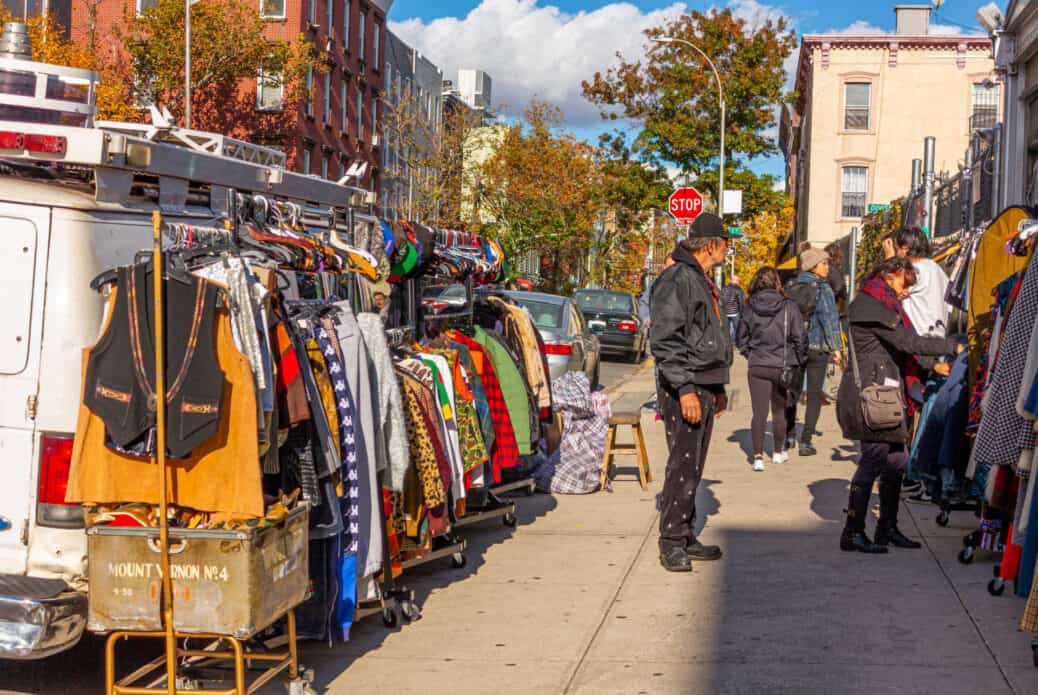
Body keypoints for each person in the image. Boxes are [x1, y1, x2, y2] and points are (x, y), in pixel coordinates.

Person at [836, 256, 963, 553]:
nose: (906, 292)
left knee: (896, 461)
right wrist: (952, 347)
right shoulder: (871, 307)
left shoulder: (883, 305)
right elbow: (908, 343)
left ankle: (887, 528)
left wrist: (933, 364)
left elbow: (907, 345)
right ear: (890, 275)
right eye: (905, 285)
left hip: (884, 394)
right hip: (872, 396)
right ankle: (852, 531)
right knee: (874, 459)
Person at [650, 213, 734, 572]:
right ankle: (671, 540)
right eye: (725, 243)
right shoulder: (678, 278)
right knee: (683, 464)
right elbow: (666, 340)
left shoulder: (697, 278)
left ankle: (683, 534)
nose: (728, 250)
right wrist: (684, 387)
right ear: (712, 244)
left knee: (693, 464)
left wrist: (717, 387)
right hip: (686, 384)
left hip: (702, 382)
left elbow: (706, 334)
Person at [736, 267, 806, 471]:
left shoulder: (749, 307)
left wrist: (750, 354)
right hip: (781, 365)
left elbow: (741, 338)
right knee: (779, 410)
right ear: (777, 282)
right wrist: (797, 360)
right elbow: (800, 336)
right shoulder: (789, 306)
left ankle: (757, 457)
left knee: (758, 413)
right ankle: (777, 452)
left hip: (757, 364)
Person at [784, 246, 843, 456]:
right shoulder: (823, 288)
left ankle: (788, 436)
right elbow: (829, 320)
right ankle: (806, 441)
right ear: (813, 266)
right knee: (815, 393)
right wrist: (836, 347)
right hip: (817, 347)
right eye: (824, 263)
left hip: (795, 346)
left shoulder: (790, 285)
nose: (828, 267)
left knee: (792, 390)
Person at [721, 276, 745, 341]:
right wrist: (742, 313)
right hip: (735, 313)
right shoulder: (738, 290)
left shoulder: (724, 288)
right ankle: (734, 344)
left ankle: (727, 343)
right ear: (737, 281)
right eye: (738, 281)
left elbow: (721, 300)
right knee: (736, 330)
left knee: (726, 329)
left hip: (725, 312)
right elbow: (741, 302)